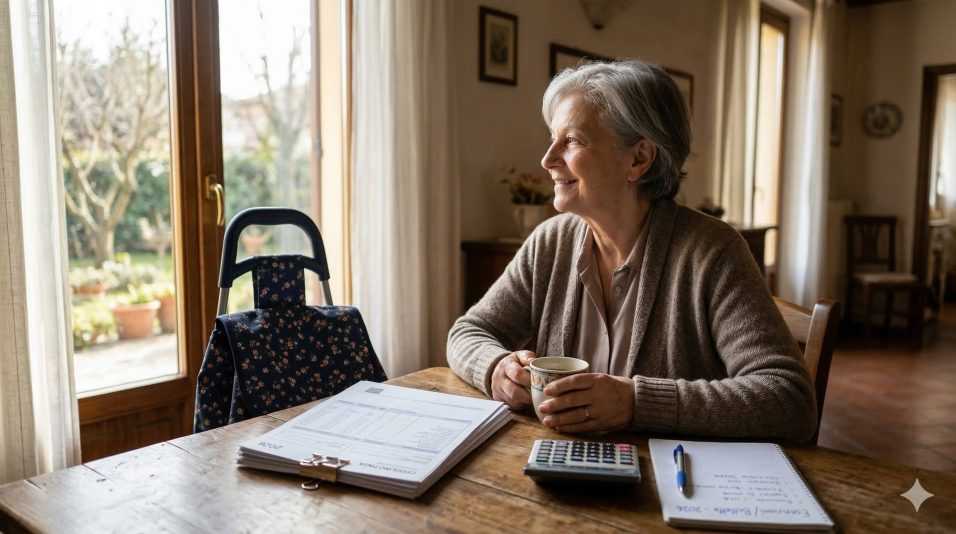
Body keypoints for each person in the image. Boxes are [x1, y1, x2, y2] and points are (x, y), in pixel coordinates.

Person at [447, 60, 816, 442]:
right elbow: (468, 331)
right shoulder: (549, 241)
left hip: (669, 487)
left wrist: (635, 402)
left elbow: (789, 400)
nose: (547, 159)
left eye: (571, 141)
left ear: (639, 158)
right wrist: (495, 367)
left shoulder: (713, 252)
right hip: (556, 474)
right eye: (552, 139)